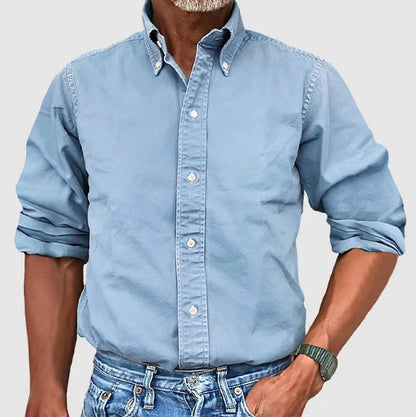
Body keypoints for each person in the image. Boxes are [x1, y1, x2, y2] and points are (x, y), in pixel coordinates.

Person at [14, 0, 407, 416]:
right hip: (122, 398)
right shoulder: (81, 87)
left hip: (259, 397)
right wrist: (45, 392)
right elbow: (52, 241)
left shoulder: (305, 83)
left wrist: (313, 363)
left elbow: (373, 225)